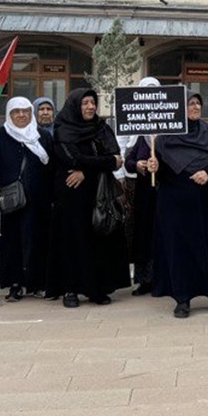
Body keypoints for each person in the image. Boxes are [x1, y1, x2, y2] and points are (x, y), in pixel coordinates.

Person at [149, 92, 208, 318]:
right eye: (189, 104)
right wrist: (153, 166)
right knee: (180, 249)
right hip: (176, 203)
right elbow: (160, 171)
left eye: (197, 103)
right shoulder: (164, 138)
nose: (194, 107)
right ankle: (182, 298)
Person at [48, 88, 129, 308]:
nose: (90, 107)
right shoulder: (63, 129)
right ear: (75, 105)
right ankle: (71, 289)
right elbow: (72, 159)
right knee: (73, 241)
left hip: (98, 192)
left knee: (99, 239)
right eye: (85, 103)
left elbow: (116, 157)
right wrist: (104, 162)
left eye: (93, 102)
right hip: (72, 196)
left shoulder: (102, 128)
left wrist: (86, 171)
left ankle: (97, 289)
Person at [0, 97, 55, 302]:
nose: (21, 115)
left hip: (39, 199)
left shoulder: (42, 135)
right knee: (11, 242)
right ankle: (15, 284)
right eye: (16, 111)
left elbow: (53, 166)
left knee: (38, 240)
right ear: (9, 114)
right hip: (10, 200)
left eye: (25, 111)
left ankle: (37, 283)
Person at [123, 77, 163, 295]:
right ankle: (144, 279)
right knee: (144, 234)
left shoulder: (169, 129)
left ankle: (163, 278)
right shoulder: (139, 131)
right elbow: (129, 160)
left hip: (165, 190)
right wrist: (137, 164)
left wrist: (160, 164)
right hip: (144, 192)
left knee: (162, 233)